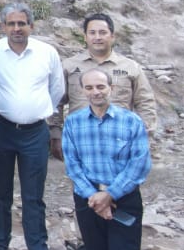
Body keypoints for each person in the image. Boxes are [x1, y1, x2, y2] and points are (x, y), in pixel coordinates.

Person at [63, 69, 167, 250]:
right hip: (87, 200)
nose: (96, 91)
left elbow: (139, 166)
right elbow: (72, 165)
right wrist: (95, 197)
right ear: (83, 91)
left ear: (112, 87)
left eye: (101, 86)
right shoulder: (73, 123)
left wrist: (109, 195)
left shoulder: (131, 122)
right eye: (90, 87)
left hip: (124, 200)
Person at [0, 3, 66, 250]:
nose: (17, 29)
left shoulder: (47, 52)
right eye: (11, 24)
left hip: (34, 132)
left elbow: (56, 90)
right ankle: (0, 244)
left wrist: (36, 112)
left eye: (22, 23)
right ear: (3, 26)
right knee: (0, 191)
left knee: (34, 194)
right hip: (0, 130)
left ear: (31, 26)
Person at [57, 12, 158, 152]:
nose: (97, 37)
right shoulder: (68, 66)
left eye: (103, 32)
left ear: (112, 36)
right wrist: (55, 134)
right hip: (80, 141)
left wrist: (144, 135)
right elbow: (56, 101)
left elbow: (145, 102)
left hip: (122, 142)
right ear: (85, 37)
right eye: (92, 33)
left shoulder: (130, 67)